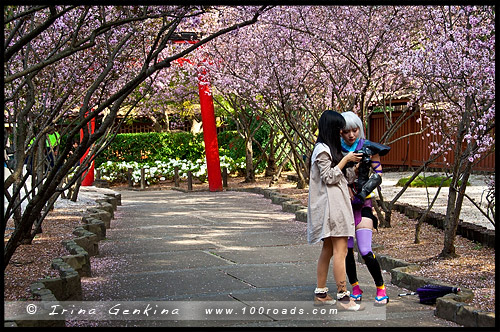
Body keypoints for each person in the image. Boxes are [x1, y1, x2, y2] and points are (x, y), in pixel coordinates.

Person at [307, 110, 363, 311]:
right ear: (332, 128)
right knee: (341, 250)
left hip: (333, 205)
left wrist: (353, 165)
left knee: (329, 250)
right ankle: (343, 297)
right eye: (340, 128)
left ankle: (321, 293)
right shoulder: (322, 150)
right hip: (332, 208)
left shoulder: (329, 148)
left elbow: (341, 177)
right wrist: (346, 160)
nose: (342, 132)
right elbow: (329, 177)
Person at [340, 111, 389, 306]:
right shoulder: (336, 150)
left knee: (366, 250)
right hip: (343, 206)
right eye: (346, 131)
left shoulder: (368, 147)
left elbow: (378, 175)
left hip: (364, 204)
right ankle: (356, 287)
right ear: (340, 132)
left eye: (355, 130)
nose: (351, 135)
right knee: (347, 251)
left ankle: (381, 288)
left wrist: (362, 191)